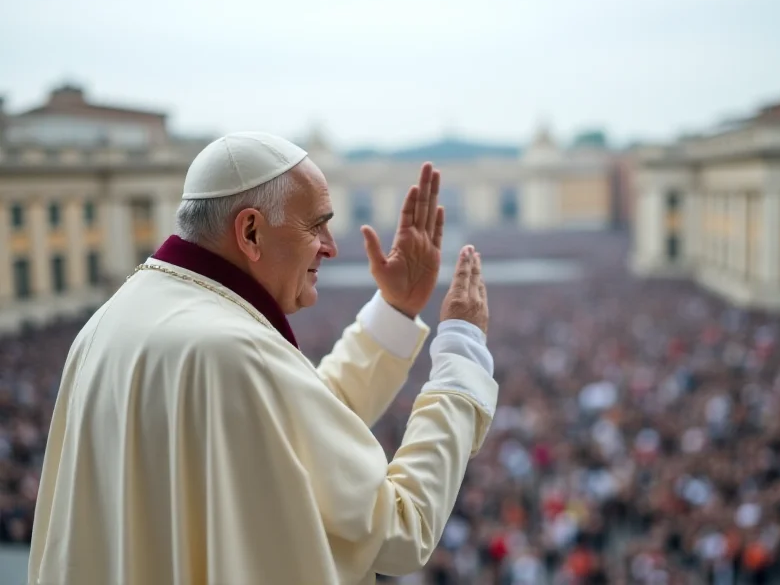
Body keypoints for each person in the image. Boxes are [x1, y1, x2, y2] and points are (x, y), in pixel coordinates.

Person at [28, 132, 498, 585]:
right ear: (250, 230)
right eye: (317, 224)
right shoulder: (235, 350)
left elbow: (290, 431)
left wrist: (394, 311)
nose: (332, 246)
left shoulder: (109, 320)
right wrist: (462, 354)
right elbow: (399, 531)